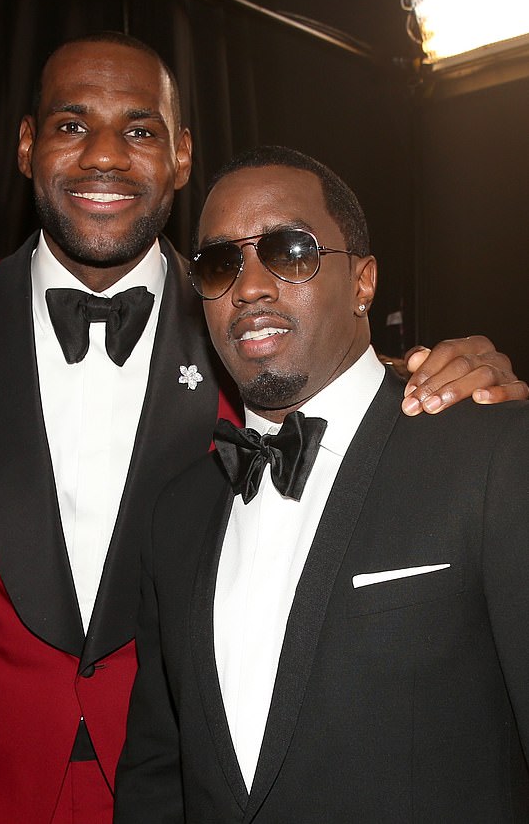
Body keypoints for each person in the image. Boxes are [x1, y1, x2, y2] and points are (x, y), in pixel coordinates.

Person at [0, 33, 522, 824]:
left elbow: (350, 381)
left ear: (183, 156)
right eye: (69, 124)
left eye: (140, 130)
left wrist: (460, 371)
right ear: (25, 144)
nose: (103, 157)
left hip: (191, 786)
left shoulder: (251, 327)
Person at [114, 146, 529, 823]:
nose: (249, 285)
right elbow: (157, 774)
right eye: (221, 262)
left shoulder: (491, 453)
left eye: (290, 250)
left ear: (363, 282)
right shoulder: (178, 513)